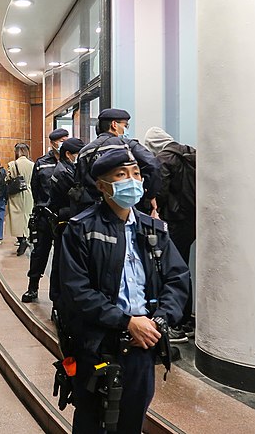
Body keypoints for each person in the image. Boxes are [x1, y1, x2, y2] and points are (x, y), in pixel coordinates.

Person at [58, 148, 189, 433]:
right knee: (91, 421)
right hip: (99, 344)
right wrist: (126, 321)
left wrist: (160, 320)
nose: (132, 181)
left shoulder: (154, 230)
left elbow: (177, 279)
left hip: (144, 343)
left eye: (136, 174)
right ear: (103, 186)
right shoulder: (81, 229)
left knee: (132, 419)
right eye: (121, 175)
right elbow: (75, 290)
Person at [144, 126, 197, 342]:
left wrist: (154, 207)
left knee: (173, 270)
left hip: (174, 220)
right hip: (193, 219)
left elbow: (160, 191)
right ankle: (188, 320)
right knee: (183, 269)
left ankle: (177, 325)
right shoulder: (189, 152)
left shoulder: (164, 158)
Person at [73, 109, 161, 217]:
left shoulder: (84, 152)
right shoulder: (127, 145)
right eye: (125, 126)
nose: (126, 130)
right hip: (125, 207)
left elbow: (80, 180)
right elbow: (153, 165)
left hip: (93, 208)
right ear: (114, 125)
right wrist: (150, 195)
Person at [22, 128, 68, 303]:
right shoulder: (42, 163)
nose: (63, 143)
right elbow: (35, 188)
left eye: (66, 139)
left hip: (63, 217)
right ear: (52, 142)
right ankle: (32, 288)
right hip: (44, 215)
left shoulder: (70, 161)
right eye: (61, 140)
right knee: (39, 253)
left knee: (62, 256)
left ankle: (59, 293)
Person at [46, 137, 85, 303]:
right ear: (69, 154)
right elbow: (77, 196)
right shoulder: (64, 172)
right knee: (62, 261)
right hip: (63, 220)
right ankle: (58, 298)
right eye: (78, 154)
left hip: (61, 218)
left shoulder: (64, 168)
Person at [6, 143, 34, 255]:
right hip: (28, 193)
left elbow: (7, 179)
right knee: (27, 216)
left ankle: (21, 240)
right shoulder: (32, 164)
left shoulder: (12, 164)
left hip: (16, 194)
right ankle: (26, 237)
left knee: (16, 218)